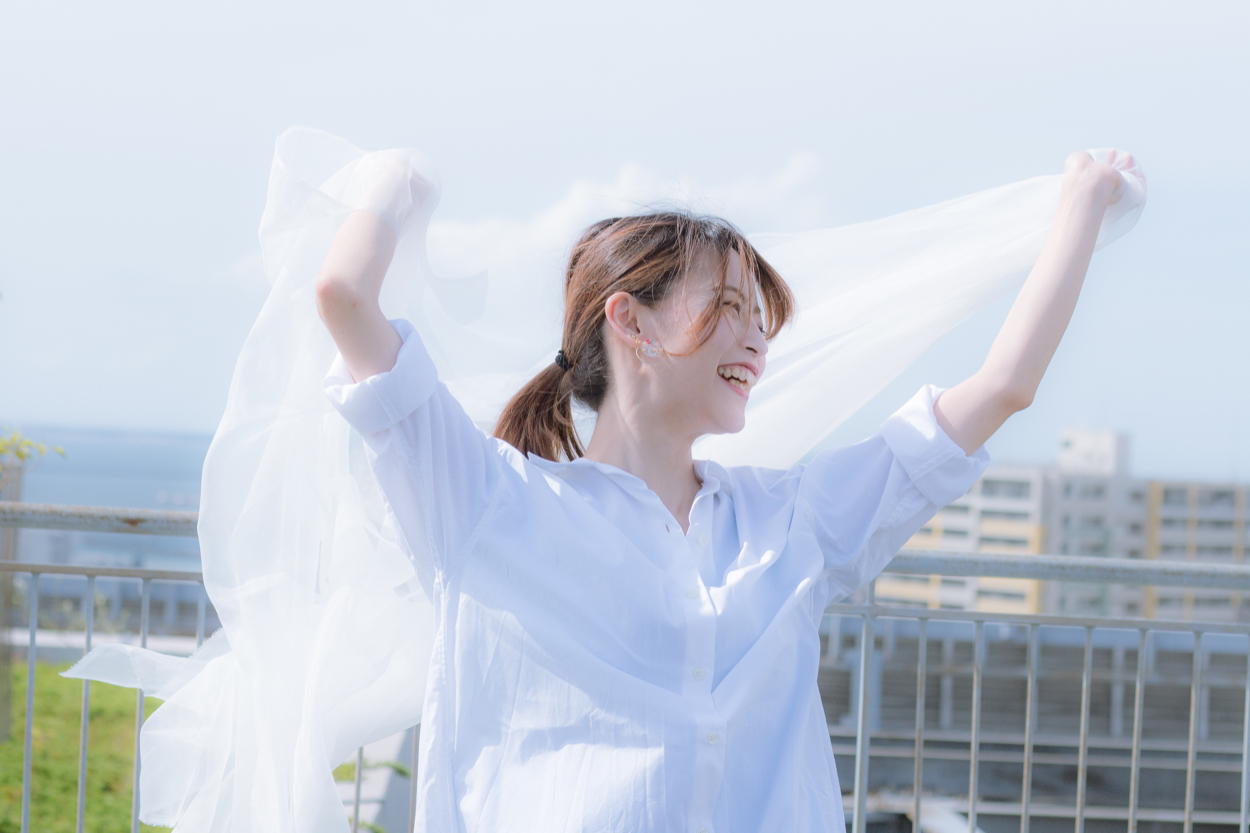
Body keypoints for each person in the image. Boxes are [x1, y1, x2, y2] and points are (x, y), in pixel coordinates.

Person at [314, 149, 1132, 831]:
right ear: (631, 322)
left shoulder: (789, 519)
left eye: (760, 318)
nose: (756, 341)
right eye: (732, 308)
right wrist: (394, 184)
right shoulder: (489, 501)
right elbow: (344, 295)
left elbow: (1003, 386)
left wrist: (1083, 206)